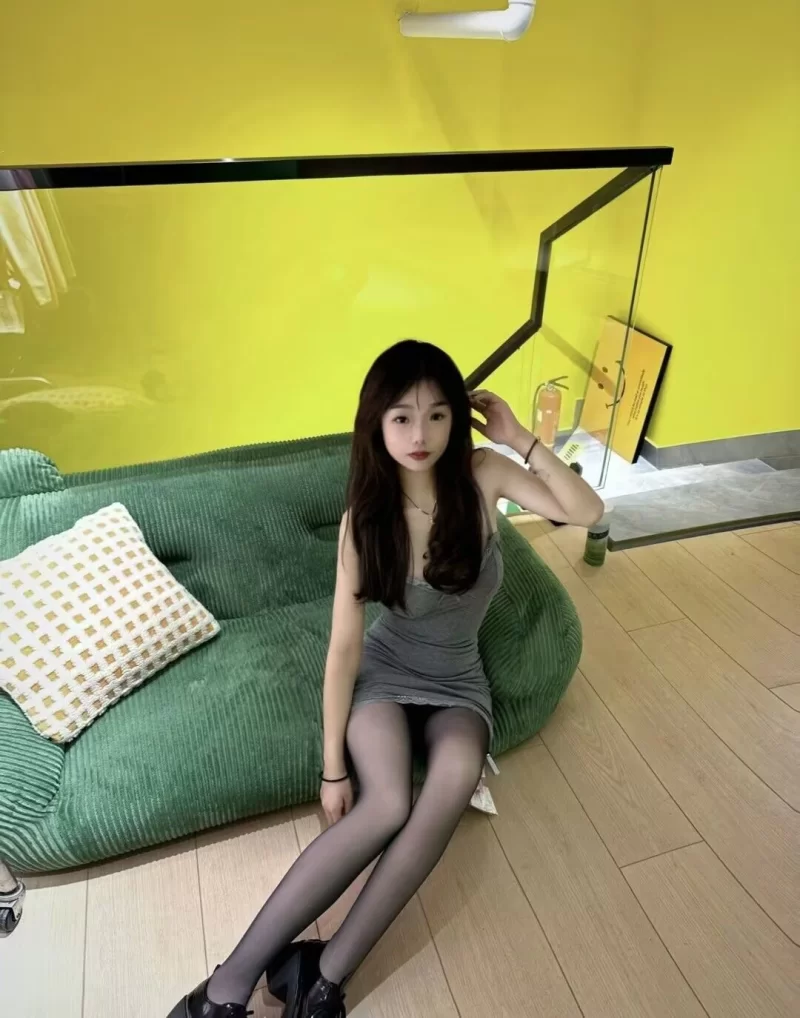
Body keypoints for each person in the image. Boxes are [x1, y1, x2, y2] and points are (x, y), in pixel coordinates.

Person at [169, 340, 603, 1018]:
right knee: (386, 806)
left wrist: (520, 438)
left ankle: (324, 976)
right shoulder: (365, 520)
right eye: (401, 417)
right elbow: (344, 651)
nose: (420, 434)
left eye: (437, 415)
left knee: (455, 780)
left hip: (458, 682)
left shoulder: (485, 474)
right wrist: (332, 769)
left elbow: (587, 512)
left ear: (457, 418)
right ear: (377, 423)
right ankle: (224, 989)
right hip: (387, 675)